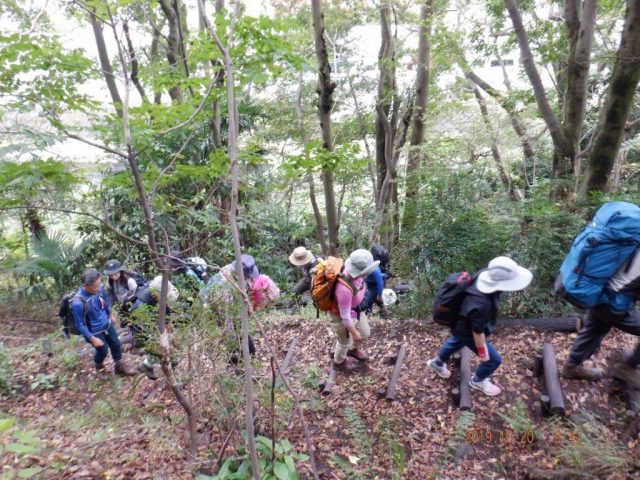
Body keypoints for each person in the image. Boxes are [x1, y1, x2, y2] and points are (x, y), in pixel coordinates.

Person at [426, 256, 533, 396]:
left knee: (456, 341)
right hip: (468, 329)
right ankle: (478, 381)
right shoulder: (481, 304)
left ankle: (437, 363)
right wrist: (483, 353)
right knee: (494, 360)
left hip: (459, 322)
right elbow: (477, 332)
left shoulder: (484, 274)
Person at [561, 254, 640, 387]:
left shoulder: (632, 243)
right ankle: (627, 368)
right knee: (598, 325)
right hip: (614, 304)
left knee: (594, 330)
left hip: (598, 293)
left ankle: (571, 366)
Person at [71, 268, 136, 376]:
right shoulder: (78, 303)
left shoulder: (99, 289)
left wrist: (110, 314)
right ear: (85, 285)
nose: (98, 288)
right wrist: (92, 338)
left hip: (107, 324)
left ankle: (119, 365)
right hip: (93, 332)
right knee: (103, 350)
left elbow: (104, 302)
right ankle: (99, 365)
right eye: (94, 287)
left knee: (116, 343)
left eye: (99, 284)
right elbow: (79, 324)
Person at [330, 249, 379, 371]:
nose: (368, 273)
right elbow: (345, 316)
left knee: (365, 333)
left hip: (357, 310)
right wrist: (354, 332)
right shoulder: (343, 289)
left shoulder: (358, 275)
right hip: (344, 317)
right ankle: (338, 363)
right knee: (344, 342)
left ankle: (353, 350)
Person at [129, 276, 180, 380]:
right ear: (155, 293)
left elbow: (164, 305)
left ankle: (146, 365)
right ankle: (173, 381)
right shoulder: (140, 307)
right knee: (168, 355)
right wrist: (162, 339)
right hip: (142, 332)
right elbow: (146, 330)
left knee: (163, 350)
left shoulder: (157, 290)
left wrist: (168, 322)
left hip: (151, 324)